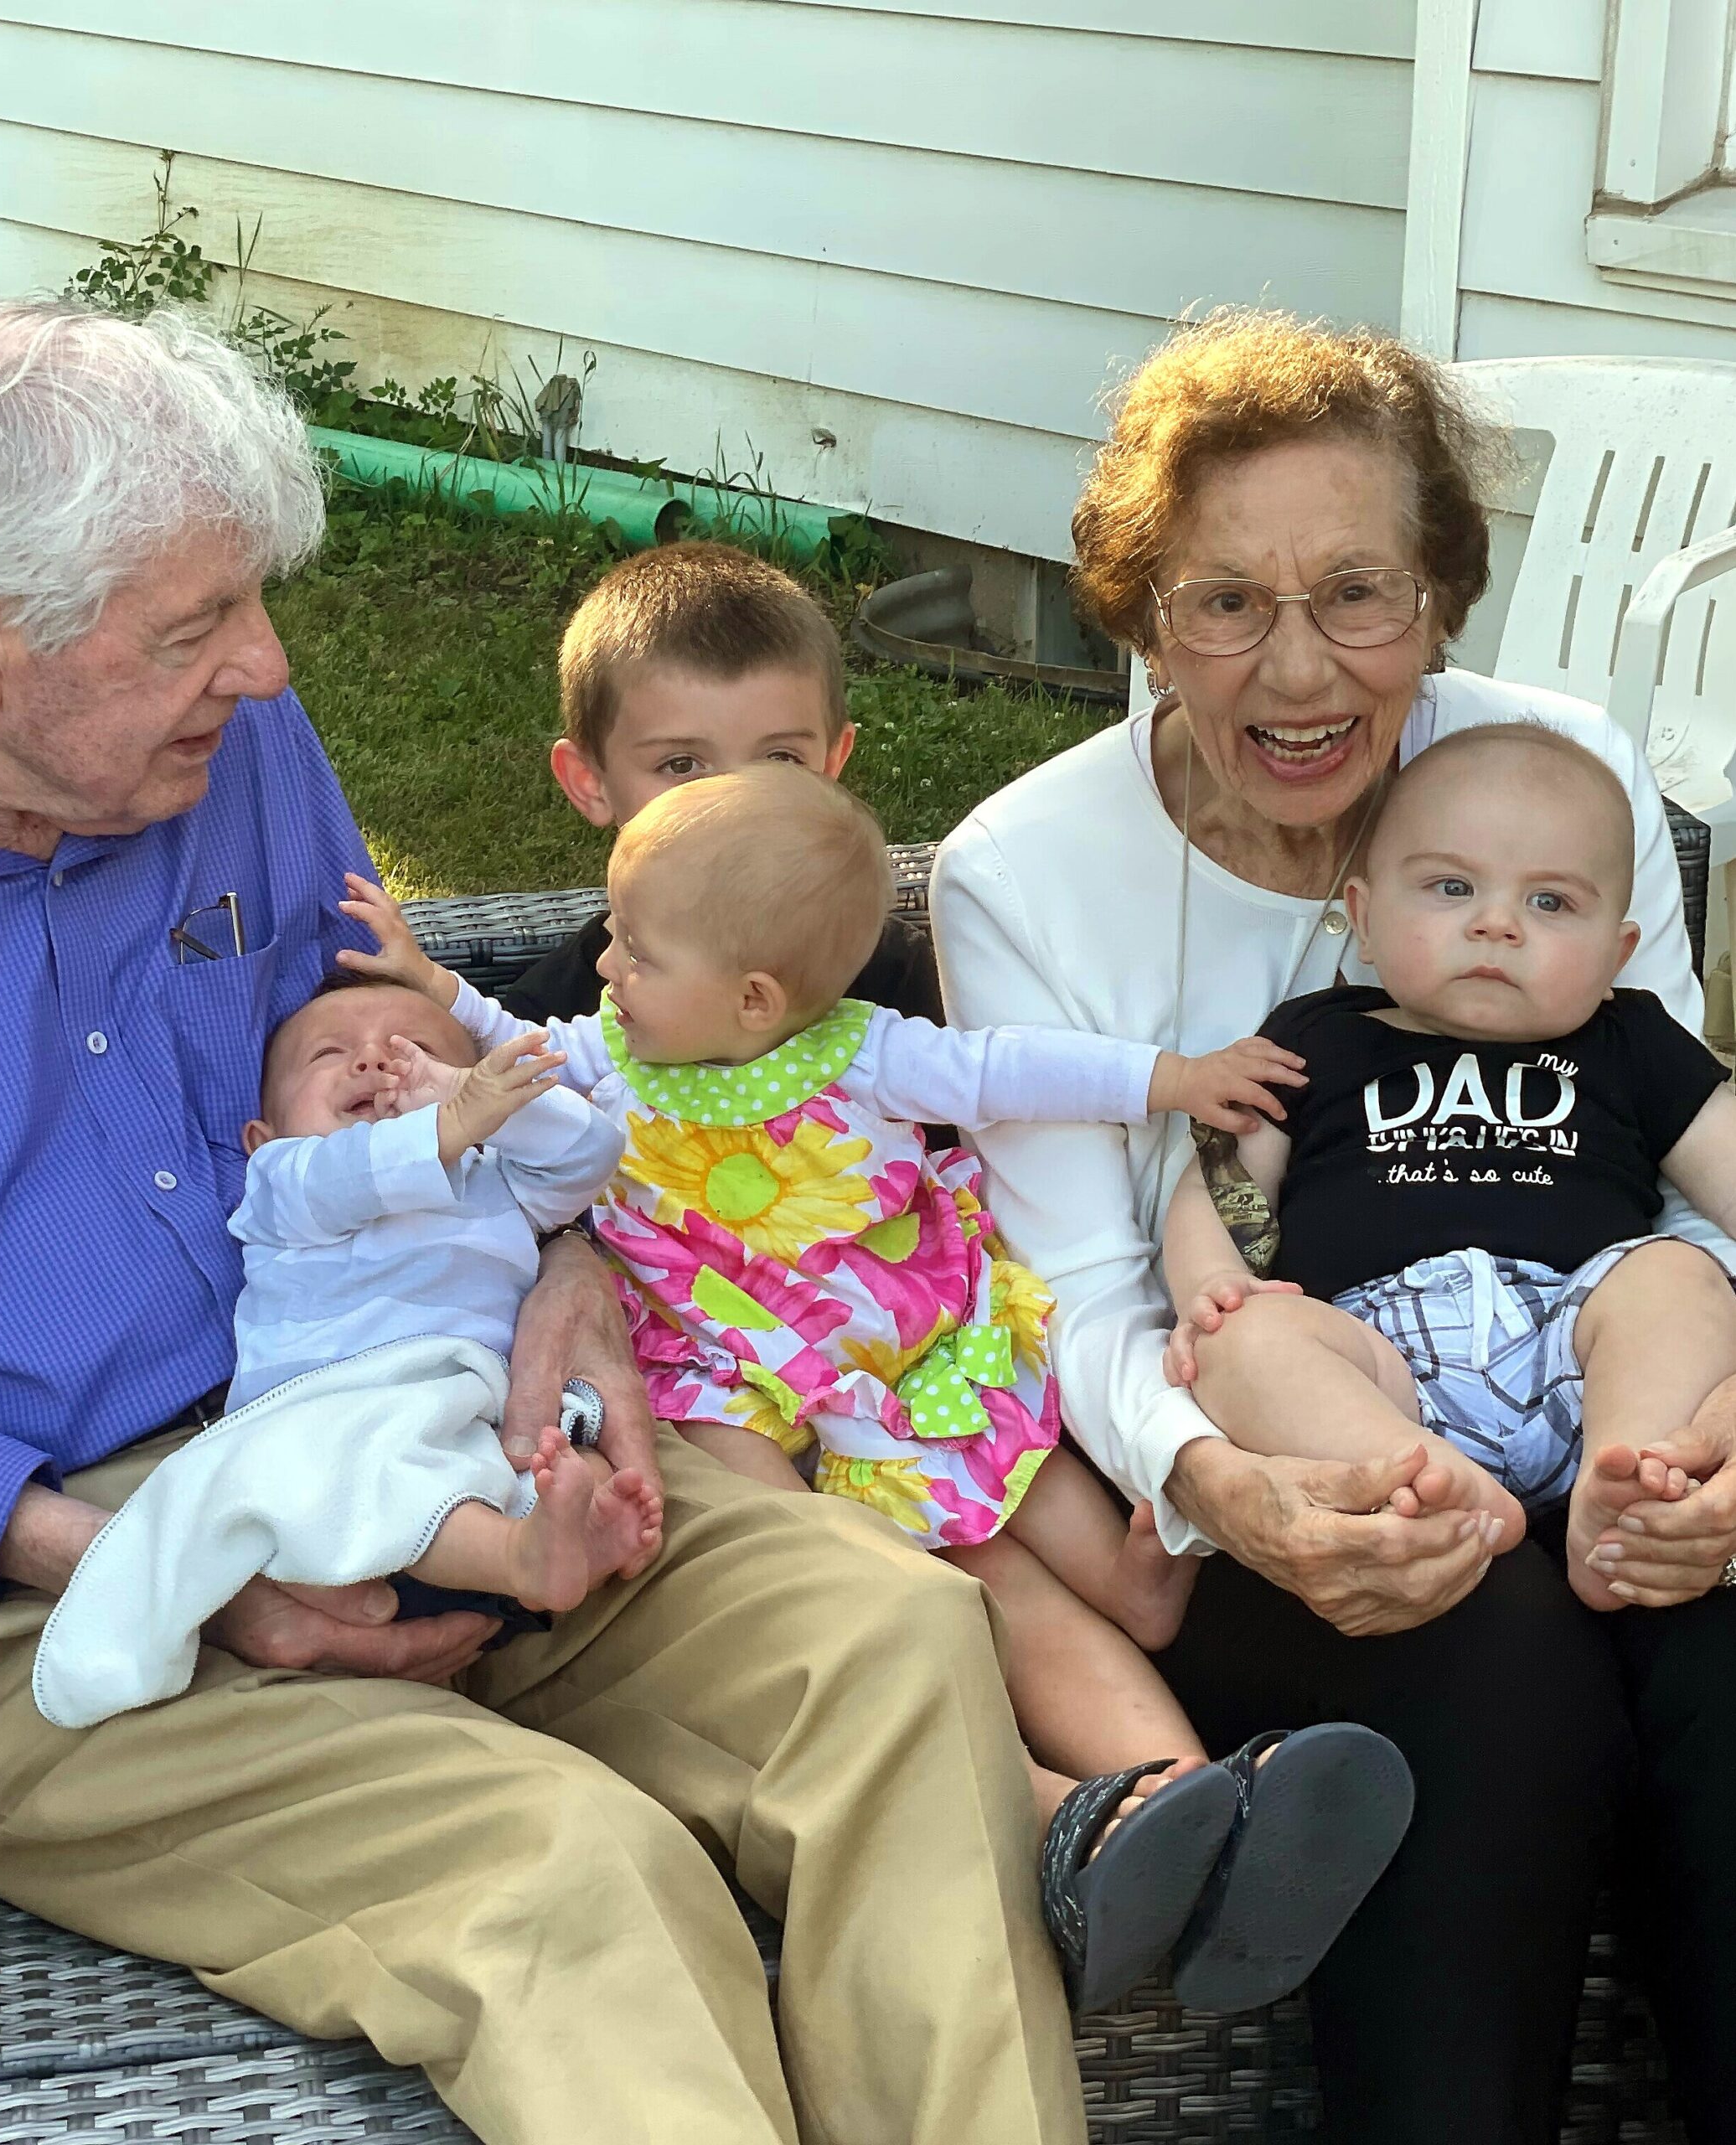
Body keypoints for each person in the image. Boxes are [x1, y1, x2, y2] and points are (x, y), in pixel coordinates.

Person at [0, 298, 1093, 2145]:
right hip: (46, 1593)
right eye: (194, 627)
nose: (262, 665)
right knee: (568, 1873)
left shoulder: (223, 746)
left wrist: (565, 1259)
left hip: (449, 1426)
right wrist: (171, 1559)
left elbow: (406, 1041)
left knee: (893, 1643)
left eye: (253, 603)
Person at [932, 305, 1736, 2145]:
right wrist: (1232, 1490)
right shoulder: (1026, 876)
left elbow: (1687, 1191)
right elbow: (1087, 1298)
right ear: (1144, 623)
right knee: (1493, 1654)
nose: (1296, 668)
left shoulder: (1562, 778)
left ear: (1440, 598)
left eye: (1357, 592)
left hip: (1610, 1405)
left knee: (1719, 1627)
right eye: (1225, 602)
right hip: (1271, 1463)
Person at [343, 762, 1415, 2017]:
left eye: (635, 948)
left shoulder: (866, 1053)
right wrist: (433, 991)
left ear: (752, 996)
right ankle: (1141, 1799)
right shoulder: (609, 1059)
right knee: (852, 1576)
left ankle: (1191, 1803)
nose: (606, 967)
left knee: (1008, 1565)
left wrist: (1170, 1078)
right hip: (738, 1391)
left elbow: (1013, 1069)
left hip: (900, 1359)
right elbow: (511, 1051)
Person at [1163, 724, 1736, 1613]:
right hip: (1373, 1358)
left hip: (1576, 1338)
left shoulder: (1632, 1040)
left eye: (1550, 902)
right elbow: (1223, 1177)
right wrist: (1209, 1282)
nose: (1495, 924)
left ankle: (1627, 1489)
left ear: (1617, 954)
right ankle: (1423, 1481)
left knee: (1675, 1276)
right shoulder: (1316, 1035)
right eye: (1451, 887)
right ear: (1363, 916)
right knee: (1238, 1340)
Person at [32, 975, 659, 1730]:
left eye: (415, 1049)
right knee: (391, 1470)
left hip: (483, 1408)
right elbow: (352, 1177)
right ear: (260, 1137)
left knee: (569, 1459)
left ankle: (578, 1539)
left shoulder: (493, 1182)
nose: (375, 1062)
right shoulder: (283, 1183)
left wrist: (465, 1100)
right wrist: (447, 1119)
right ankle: (520, 1554)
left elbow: (589, 1151)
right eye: (330, 1054)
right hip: (341, 1414)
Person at [499, 540, 942, 1026]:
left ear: (831, 766)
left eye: (781, 759)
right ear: (590, 783)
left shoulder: (896, 977)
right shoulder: (548, 1021)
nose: (738, 804)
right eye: (681, 765)